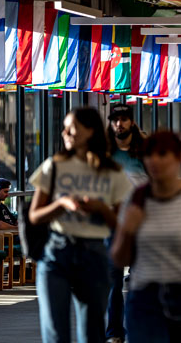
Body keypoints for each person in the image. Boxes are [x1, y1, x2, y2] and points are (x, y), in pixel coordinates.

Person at [28, 107, 131, 343]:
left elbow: (118, 223)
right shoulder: (53, 166)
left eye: (71, 128)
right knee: (55, 333)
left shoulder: (111, 172)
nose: (65, 132)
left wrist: (101, 207)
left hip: (94, 254)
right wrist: (62, 203)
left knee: (91, 333)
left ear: (90, 131)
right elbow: (34, 216)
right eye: (64, 127)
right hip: (56, 253)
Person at [111, 131, 181, 343]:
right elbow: (118, 259)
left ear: (179, 158)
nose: (154, 160)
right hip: (144, 299)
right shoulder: (136, 199)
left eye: (162, 154)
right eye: (149, 154)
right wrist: (126, 231)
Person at [106, 103, 148, 343]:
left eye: (123, 119)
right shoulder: (105, 152)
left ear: (131, 122)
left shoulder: (144, 151)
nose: (118, 124)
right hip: (113, 226)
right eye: (115, 120)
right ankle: (114, 332)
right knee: (113, 281)